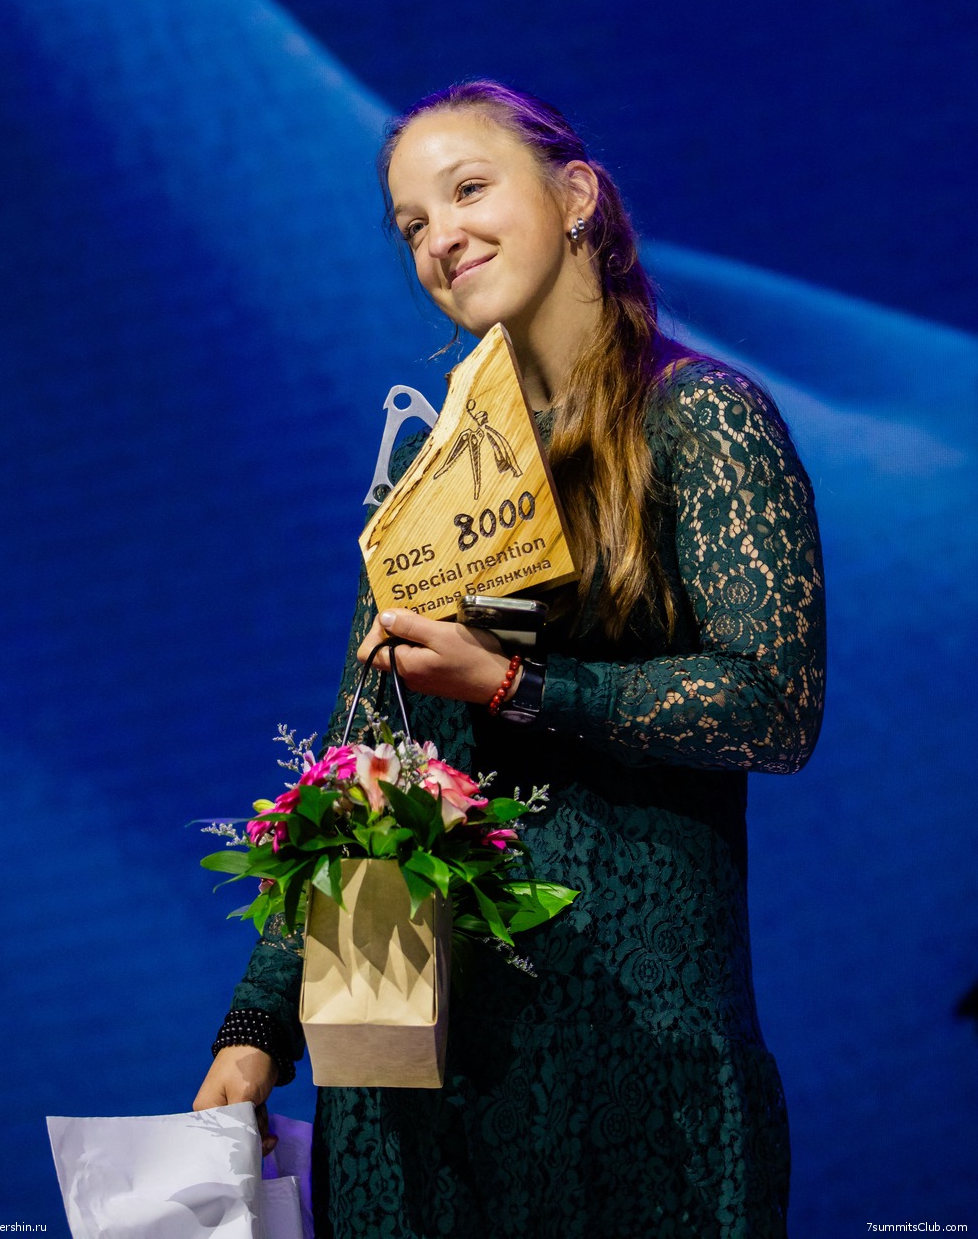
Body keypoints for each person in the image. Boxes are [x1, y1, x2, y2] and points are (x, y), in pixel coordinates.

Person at [194, 81, 826, 1239]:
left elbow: (770, 704)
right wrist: (257, 1028)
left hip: (624, 1062)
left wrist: (512, 685)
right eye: (412, 224)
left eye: (468, 190)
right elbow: (354, 769)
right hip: (402, 1077)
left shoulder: (700, 420)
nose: (440, 237)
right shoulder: (426, 474)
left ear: (576, 194)